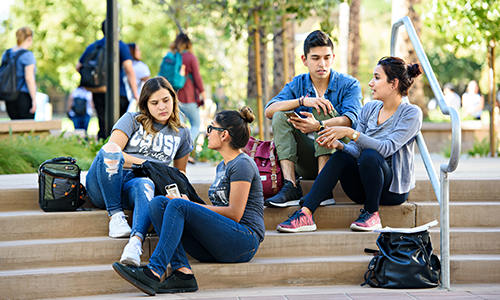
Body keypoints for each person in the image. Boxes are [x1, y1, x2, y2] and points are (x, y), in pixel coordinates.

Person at [112, 106, 264, 296]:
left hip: (243, 241)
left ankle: (153, 272)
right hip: (219, 241)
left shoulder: (242, 164)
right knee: (158, 204)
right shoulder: (222, 167)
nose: (207, 133)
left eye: (211, 128)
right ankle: (183, 273)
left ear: (224, 134)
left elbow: (235, 213)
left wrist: (190, 205)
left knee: (178, 205)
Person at [276, 56, 423, 233]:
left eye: (377, 78)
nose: (370, 83)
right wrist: (338, 145)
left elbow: (386, 148)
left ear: (393, 84)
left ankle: (372, 214)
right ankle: (305, 214)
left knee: (371, 155)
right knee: (341, 156)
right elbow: (356, 150)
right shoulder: (370, 109)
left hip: (392, 191)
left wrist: (349, 133)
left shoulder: (411, 113)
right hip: (361, 188)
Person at [85, 77, 193, 268]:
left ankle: (134, 245)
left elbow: (179, 171)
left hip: (136, 187)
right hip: (106, 181)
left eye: (166, 100)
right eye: (155, 103)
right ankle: (115, 216)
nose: (162, 107)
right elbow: (113, 151)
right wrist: (150, 165)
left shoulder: (182, 133)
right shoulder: (132, 120)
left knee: (146, 184)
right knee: (110, 151)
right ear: (145, 105)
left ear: (173, 100)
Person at [264, 30, 363, 207]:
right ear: (304, 60)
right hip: (307, 160)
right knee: (279, 116)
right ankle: (291, 186)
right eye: (315, 58)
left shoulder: (349, 84)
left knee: (322, 107)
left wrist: (319, 125)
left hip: (339, 157)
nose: (322, 64)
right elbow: (269, 110)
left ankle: (324, 188)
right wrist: (302, 100)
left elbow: (351, 119)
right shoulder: (298, 84)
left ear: (333, 58)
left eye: (326, 58)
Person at [76, 20, 140, 140]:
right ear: (117, 30)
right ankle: (116, 149)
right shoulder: (120, 45)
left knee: (102, 122)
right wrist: (136, 93)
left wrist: (95, 80)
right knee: (120, 124)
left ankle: (102, 147)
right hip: (118, 91)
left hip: (98, 91)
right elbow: (129, 69)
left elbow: (78, 66)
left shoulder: (93, 46)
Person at [171, 33, 206, 147]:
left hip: (174, 97)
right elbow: (197, 77)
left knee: (179, 128)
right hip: (189, 97)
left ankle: (178, 149)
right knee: (196, 124)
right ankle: (185, 146)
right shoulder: (190, 57)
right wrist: (203, 93)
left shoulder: (173, 56)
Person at [1, 27, 37, 119]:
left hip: (9, 96)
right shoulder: (28, 55)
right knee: (28, 129)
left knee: (14, 128)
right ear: (29, 38)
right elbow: (29, 78)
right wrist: (34, 99)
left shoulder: (6, 53)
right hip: (23, 97)